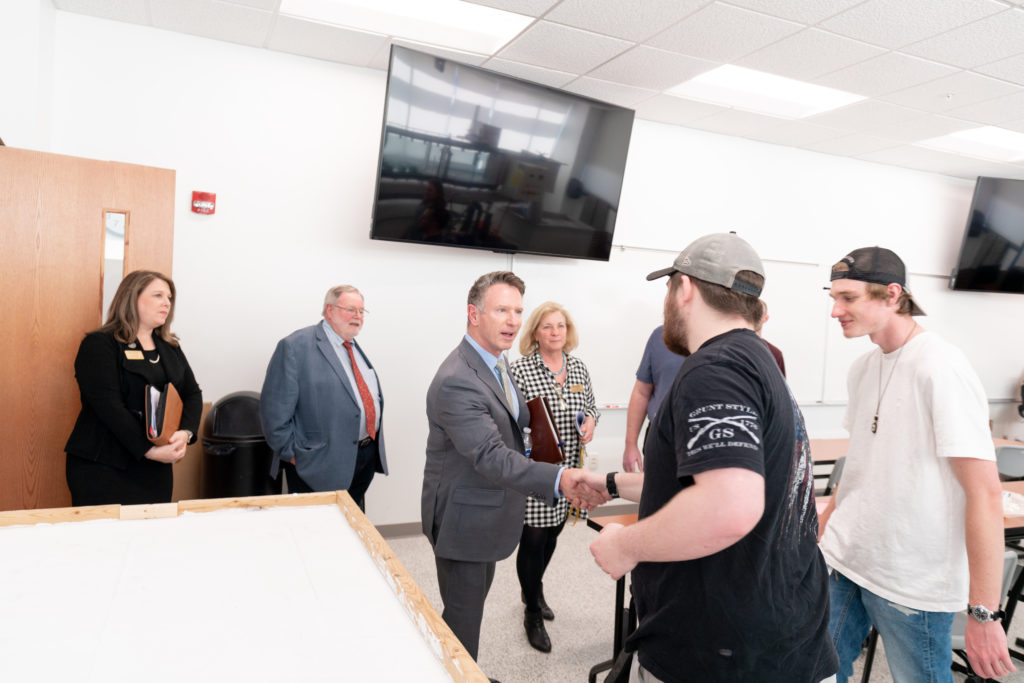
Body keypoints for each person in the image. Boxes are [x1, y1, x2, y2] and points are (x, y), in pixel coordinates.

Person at [589, 232, 838, 682]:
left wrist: (624, 546)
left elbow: (728, 505)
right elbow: (708, 483)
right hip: (777, 638)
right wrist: (609, 485)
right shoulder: (760, 363)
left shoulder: (715, 368)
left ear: (684, 287)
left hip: (721, 654)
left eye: (668, 289)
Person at [819, 246, 1014, 682]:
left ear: (891, 295)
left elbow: (983, 492)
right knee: (815, 673)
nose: (835, 311)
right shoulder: (863, 368)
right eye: (832, 297)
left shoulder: (941, 367)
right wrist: (828, 521)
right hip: (847, 560)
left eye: (848, 298)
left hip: (911, 581)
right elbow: (863, 463)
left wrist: (984, 613)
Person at [421, 271, 608, 669]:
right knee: (462, 624)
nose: (512, 320)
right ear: (474, 314)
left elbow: (515, 423)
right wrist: (559, 478)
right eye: (501, 310)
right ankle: (457, 673)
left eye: (518, 311)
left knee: (466, 610)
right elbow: (490, 454)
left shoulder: (496, 363)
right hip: (463, 520)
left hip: (487, 511)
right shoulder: (459, 379)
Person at [65, 270, 202, 506]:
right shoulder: (100, 345)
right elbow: (109, 408)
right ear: (132, 298)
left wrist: (185, 433)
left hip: (155, 468)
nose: (166, 303)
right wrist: (149, 450)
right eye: (158, 295)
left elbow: (192, 394)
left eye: (169, 297)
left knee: (149, 540)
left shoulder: (170, 347)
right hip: (104, 465)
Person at [510, 302, 600, 653]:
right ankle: (531, 610)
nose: (555, 332)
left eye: (560, 326)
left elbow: (590, 406)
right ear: (535, 333)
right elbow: (510, 419)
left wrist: (591, 419)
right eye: (547, 327)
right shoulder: (519, 370)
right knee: (533, 540)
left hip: (572, 470)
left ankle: (534, 586)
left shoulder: (577, 367)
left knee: (553, 535)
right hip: (537, 470)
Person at [260, 285, 386, 511]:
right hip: (317, 464)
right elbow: (274, 413)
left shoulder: (353, 347)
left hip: (362, 456)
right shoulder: (295, 347)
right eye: (351, 309)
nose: (357, 316)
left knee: (351, 524)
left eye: (361, 311)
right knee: (316, 533)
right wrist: (294, 454)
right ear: (330, 310)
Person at [622, 325, 685, 473]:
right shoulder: (660, 336)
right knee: (658, 494)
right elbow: (641, 392)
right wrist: (630, 444)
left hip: (703, 437)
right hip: (660, 436)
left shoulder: (723, 337)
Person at [755, 299, 786, 377]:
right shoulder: (730, 347)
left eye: (757, 313)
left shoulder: (775, 353)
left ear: (766, 318)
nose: (753, 317)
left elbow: (780, 388)